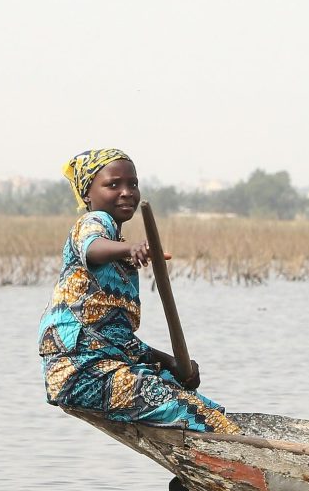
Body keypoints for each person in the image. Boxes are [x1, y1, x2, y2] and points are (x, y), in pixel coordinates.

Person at [38, 148, 239, 434]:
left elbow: (118, 338)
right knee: (198, 416)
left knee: (199, 405)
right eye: (113, 184)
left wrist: (172, 364)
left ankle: (192, 476)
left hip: (102, 367)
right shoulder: (94, 222)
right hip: (81, 373)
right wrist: (130, 248)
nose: (126, 192)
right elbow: (91, 245)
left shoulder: (118, 262)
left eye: (132, 184)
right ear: (87, 195)